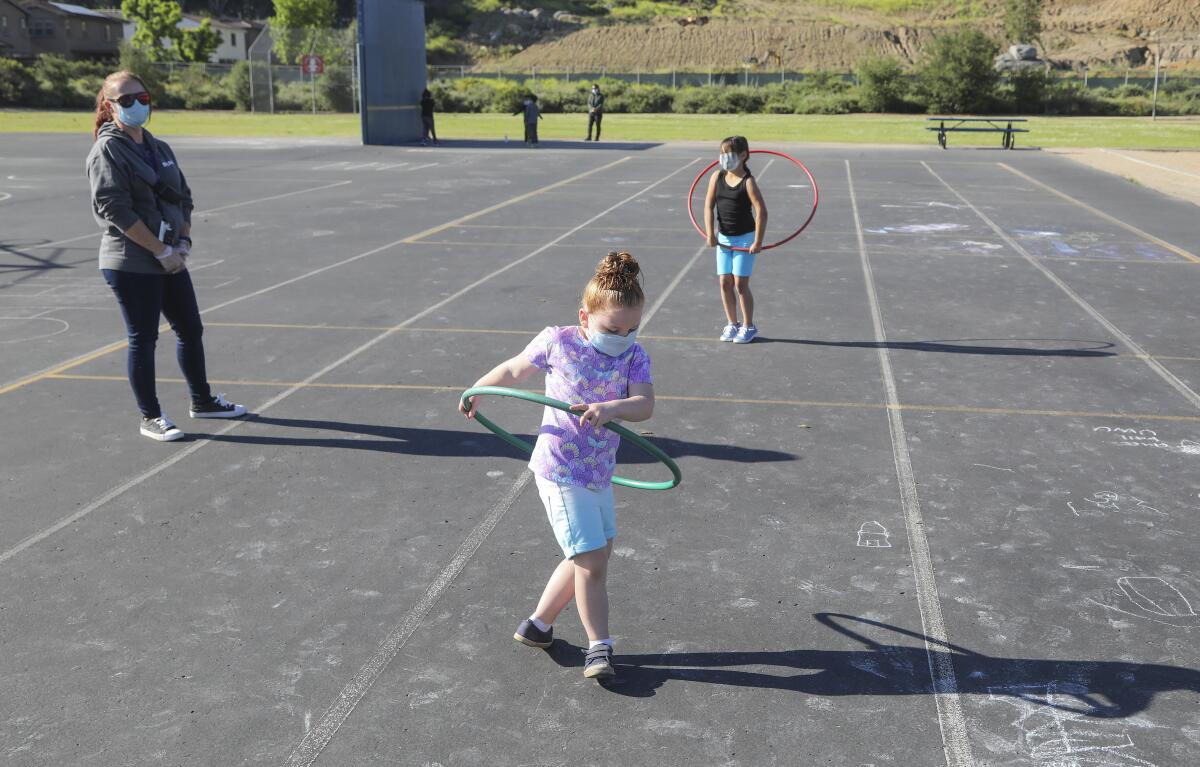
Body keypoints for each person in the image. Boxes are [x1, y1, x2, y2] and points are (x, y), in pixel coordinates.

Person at [460, 252, 654, 681]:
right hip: (561, 470)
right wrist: (479, 389)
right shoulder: (558, 341)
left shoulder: (634, 356)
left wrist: (612, 407)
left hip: (599, 470)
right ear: (584, 317)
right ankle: (598, 648)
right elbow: (514, 370)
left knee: (596, 554)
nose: (622, 336)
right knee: (590, 561)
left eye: (631, 328)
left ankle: (539, 626)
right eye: (612, 328)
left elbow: (644, 405)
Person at [86, 70, 246, 442]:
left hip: (171, 255)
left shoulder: (158, 148)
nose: (137, 105)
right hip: (131, 259)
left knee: (190, 329)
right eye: (126, 100)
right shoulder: (107, 150)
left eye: (142, 98)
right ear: (109, 107)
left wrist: (183, 244)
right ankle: (151, 417)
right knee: (143, 338)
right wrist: (159, 249)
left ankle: (202, 400)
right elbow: (115, 209)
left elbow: (184, 197)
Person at [702, 135, 768, 344]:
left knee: (740, 284)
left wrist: (757, 241)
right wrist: (710, 234)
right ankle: (733, 323)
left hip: (745, 240)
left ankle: (748, 326)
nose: (723, 158)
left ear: (743, 155)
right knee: (724, 282)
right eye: (721, 154)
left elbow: (761, 211)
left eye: (728, 154)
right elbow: (708, 206)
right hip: (723, 239)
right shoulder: (716, 177)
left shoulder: (748, 182)